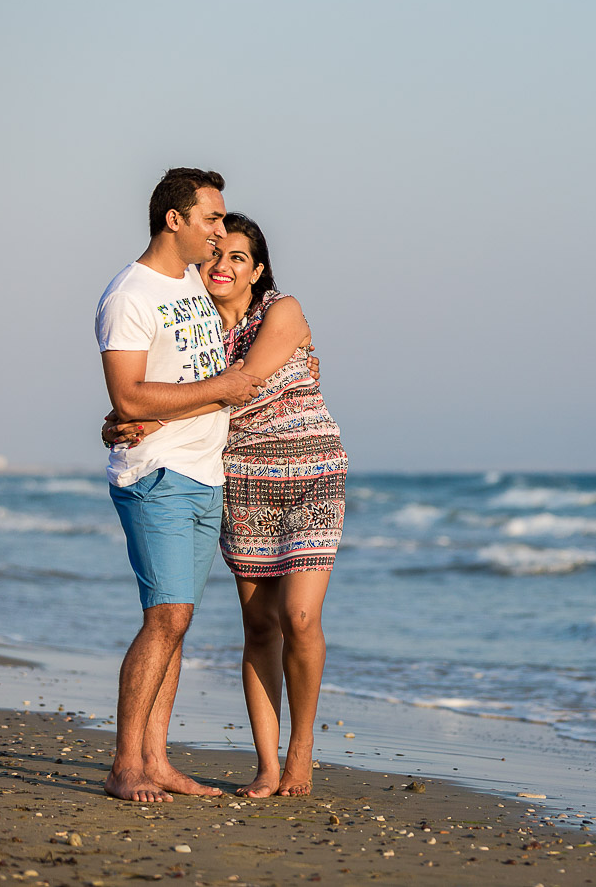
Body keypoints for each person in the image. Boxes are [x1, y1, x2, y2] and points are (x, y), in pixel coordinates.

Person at [105, 213, 345, 797]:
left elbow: (242, 385)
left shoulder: (281, 312)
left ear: (258, 270)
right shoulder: (200, 324)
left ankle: (302, 752)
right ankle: (267, 766)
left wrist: (142, 414)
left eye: (239, 257)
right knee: (259, 625)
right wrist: (126, 414)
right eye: (216, 253)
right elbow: (175, 382)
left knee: (300, 617)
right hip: (238, 478)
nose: (223, 265)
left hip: (308, 473)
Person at [95, 168, 267, 803]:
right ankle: (124, 766)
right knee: (164, 617)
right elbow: (129, 393)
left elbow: (151, 397)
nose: (219, 232)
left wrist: (138, 417)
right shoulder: (130, 295)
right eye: (210, 220)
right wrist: (214, 391)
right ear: (175, 220)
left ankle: (156, 760)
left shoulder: (193, 281)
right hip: (156, 474)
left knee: (177, 619)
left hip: (203, 472)